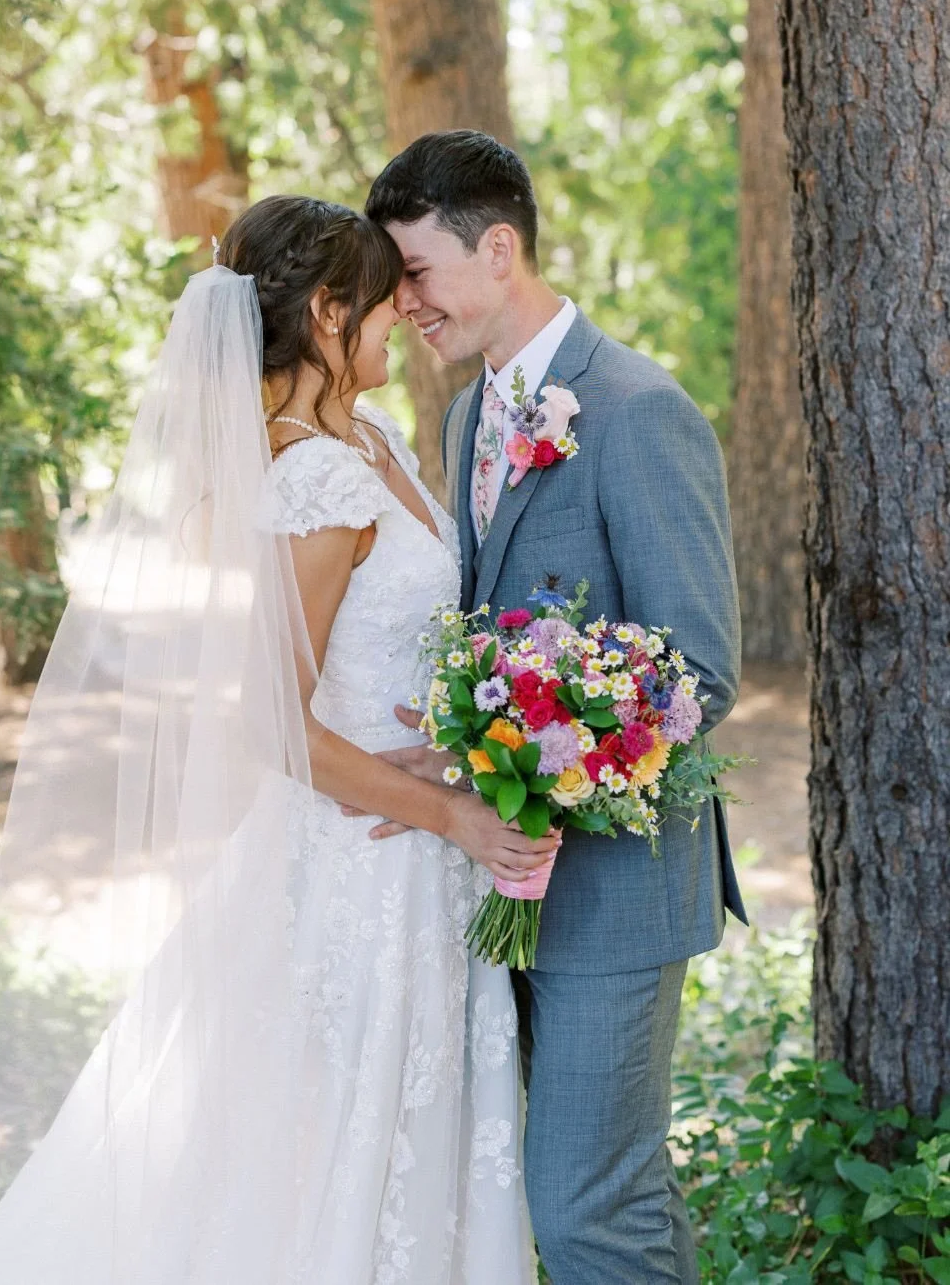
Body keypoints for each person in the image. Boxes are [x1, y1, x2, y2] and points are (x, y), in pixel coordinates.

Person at [0, 195, 543, 1284]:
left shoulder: (378, 438)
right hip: (362, 870)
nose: (403, 308)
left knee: (410, 1152)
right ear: (324, 313)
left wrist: (472, 750)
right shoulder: (312, 479)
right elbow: (271, 721)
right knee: (329, 1159)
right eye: (382, 294)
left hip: (423, 863)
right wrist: (456, 815)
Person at [365, 131, 748, 1284]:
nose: (406, 304)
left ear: (500, 246)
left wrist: (530, 753)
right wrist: (459, 754)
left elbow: (699, 672)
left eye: (419, 274)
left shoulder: (637, 411)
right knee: (597, 1199)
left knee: (586, 1211)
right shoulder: (462, 415)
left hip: (616, 891)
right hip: (500, 878)